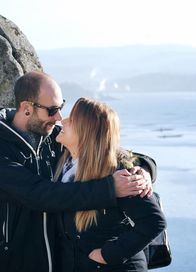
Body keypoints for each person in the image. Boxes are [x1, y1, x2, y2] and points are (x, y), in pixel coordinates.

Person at [0, 71, 155, 272]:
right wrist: (110, 189)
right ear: (26, 108)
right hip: (10, 259)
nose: (59, 118)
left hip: (56, 258)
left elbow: (104, 148)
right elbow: (39, 195)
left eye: (60, 108)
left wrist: (143, 170)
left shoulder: (54, 136)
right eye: (51, 110)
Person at [54, 97, 166, 272]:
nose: (63, 120)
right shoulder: (61, 161)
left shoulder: (121, 173)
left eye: (72, 119)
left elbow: (154, 222)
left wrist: (109, 254)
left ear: (87, 131)